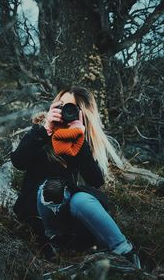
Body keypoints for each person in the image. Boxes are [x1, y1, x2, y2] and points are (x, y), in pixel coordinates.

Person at [11, 86, 141, 268]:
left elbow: (96, 180)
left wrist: (80, 140)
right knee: (51, 189)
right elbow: (19, 162)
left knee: (80, 198)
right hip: (40, 215)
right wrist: (45, 129)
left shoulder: (82, 140)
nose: (65, 111)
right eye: (62, 105)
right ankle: (54, 242)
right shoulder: (40, 132)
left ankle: (125, 251)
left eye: (71, 108)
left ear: (82, 114)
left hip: (74, 219)